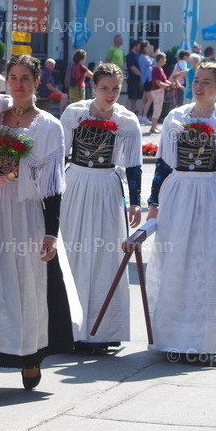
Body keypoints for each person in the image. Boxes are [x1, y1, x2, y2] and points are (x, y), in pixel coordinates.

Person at [0, 55, 77, 399]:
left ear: (37, 82)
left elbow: (52, 187)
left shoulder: (49, 126)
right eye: (13, 77)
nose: (18, 84)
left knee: (23, 287)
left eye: (25, 78)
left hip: (24, 214)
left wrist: (51, 232)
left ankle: (28, 357)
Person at [145, 62, 216, 363]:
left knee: (208, 265)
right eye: (197, 81)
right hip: (178, 194)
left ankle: (205, 341)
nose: (199, 86)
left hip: (212, 193)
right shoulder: (176, 116)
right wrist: (154, 203)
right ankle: (172, 337)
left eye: (207, 82)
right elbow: (163, 164)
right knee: (175, 262)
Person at [60, 63, 142, 354]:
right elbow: (59, 156)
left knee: (106, 255)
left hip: (108, 186)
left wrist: (135, 202)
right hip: (76, 184)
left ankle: (102, 330)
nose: (110, 93)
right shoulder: (74, 113)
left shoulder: (127, 120)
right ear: (93, 87)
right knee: (73, 251)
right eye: (104, 88)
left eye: (116, 88)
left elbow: (133, 165)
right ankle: (68, 328)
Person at [148, 51, 172, 134]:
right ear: (160, 59)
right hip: (157, 91)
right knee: (157, 109)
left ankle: (154, 126)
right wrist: (168, 86)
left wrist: (171, 84)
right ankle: (153, 127)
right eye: (164, 58)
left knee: (158, 109)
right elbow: (158, 82)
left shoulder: (160, 69)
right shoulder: (156, 69)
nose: (165, 60)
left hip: (160, 91)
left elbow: (164, 80)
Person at [137, 42, 155, 121]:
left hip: (146, 79)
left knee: (144, 99)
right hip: (147, 79)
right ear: (144, 48)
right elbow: (152, 63)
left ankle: (140, 115)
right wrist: (156, 55)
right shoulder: (143, 56)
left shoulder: (144, 56)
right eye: (147, 47)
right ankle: (144, 116)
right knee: (150, 98)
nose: (149, 49)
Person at [126, 40, 143, 115]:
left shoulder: (136, 56)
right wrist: (141, 75)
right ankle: (128, 113)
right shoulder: (130, 55)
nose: (139, 48)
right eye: (138, 46)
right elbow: (132, 67)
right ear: (135, 46)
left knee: (135, 98)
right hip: (132, 79)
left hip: (137, 80)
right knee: (131, 98)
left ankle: (132, 113)